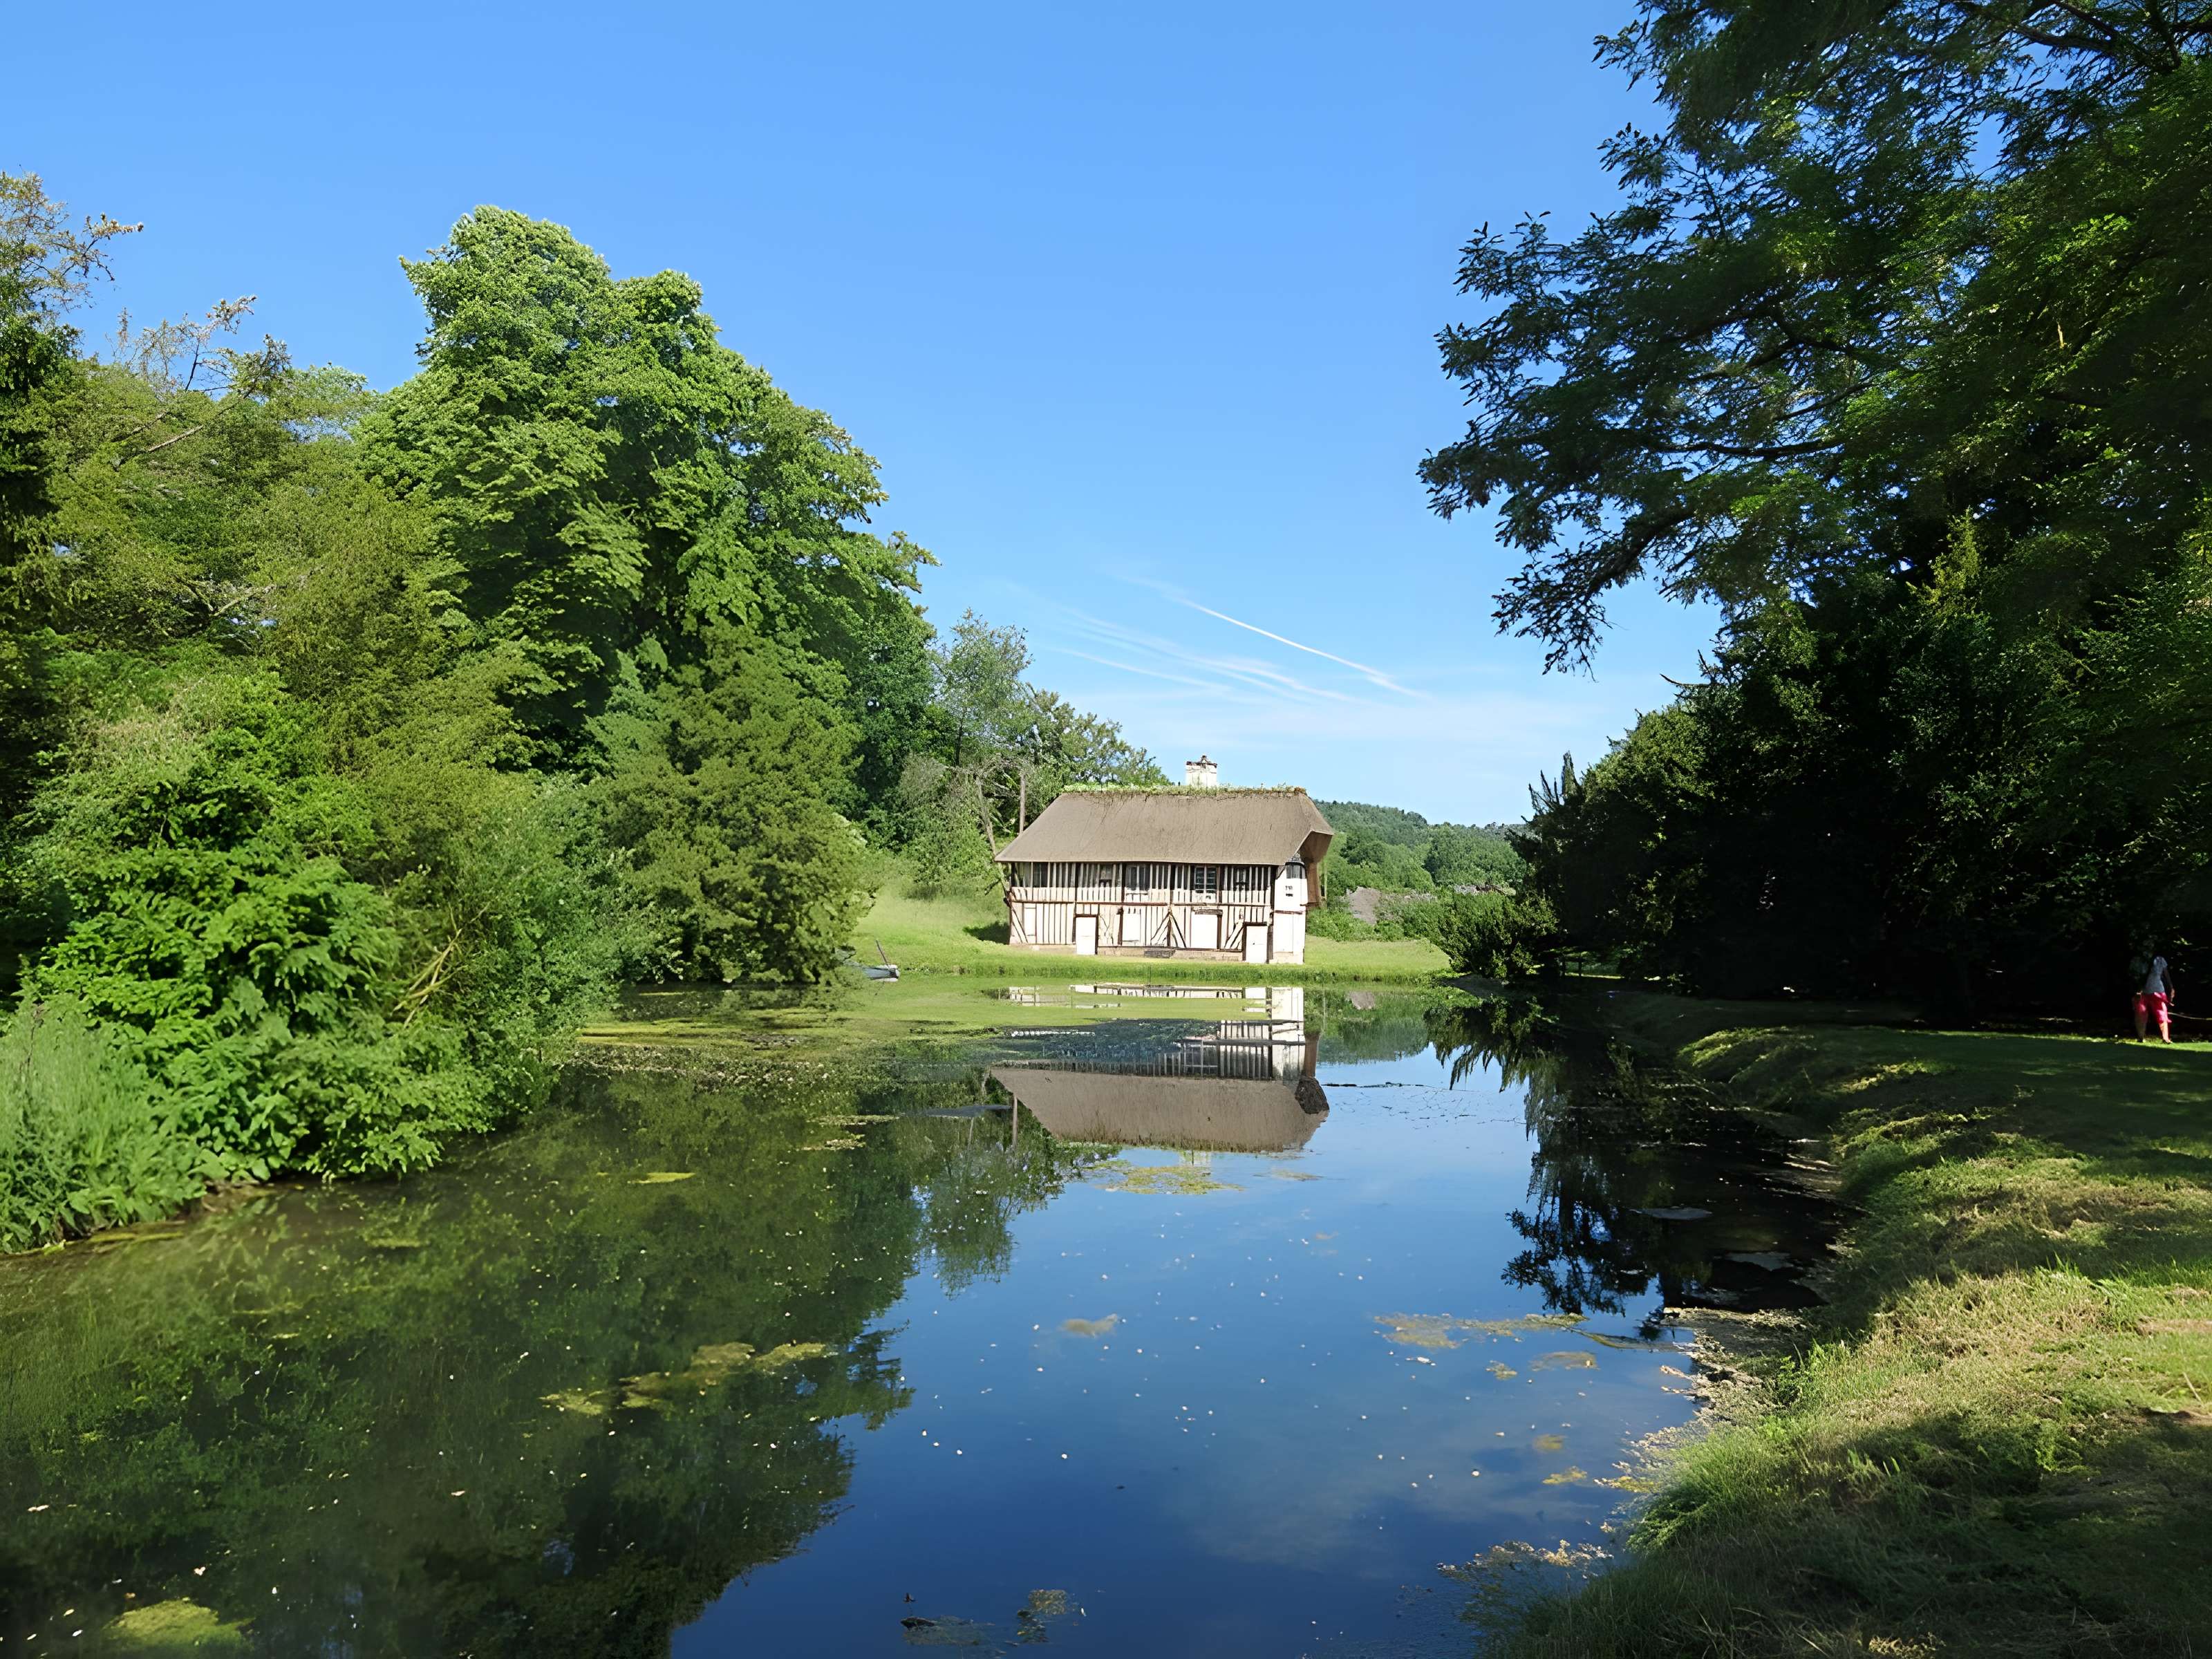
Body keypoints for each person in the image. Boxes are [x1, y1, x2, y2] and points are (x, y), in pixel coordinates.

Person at [2133, 952, 2176, 1043]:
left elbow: (2166, 974)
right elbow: (2134, 976)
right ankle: (2141, 1037)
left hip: (2158, 991)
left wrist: (2171, 987)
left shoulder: (2160, 960)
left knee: (2162, 1015)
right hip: (2142, 992)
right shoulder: (2138, 960)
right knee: (2141, 1014)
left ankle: (2166, 1038)